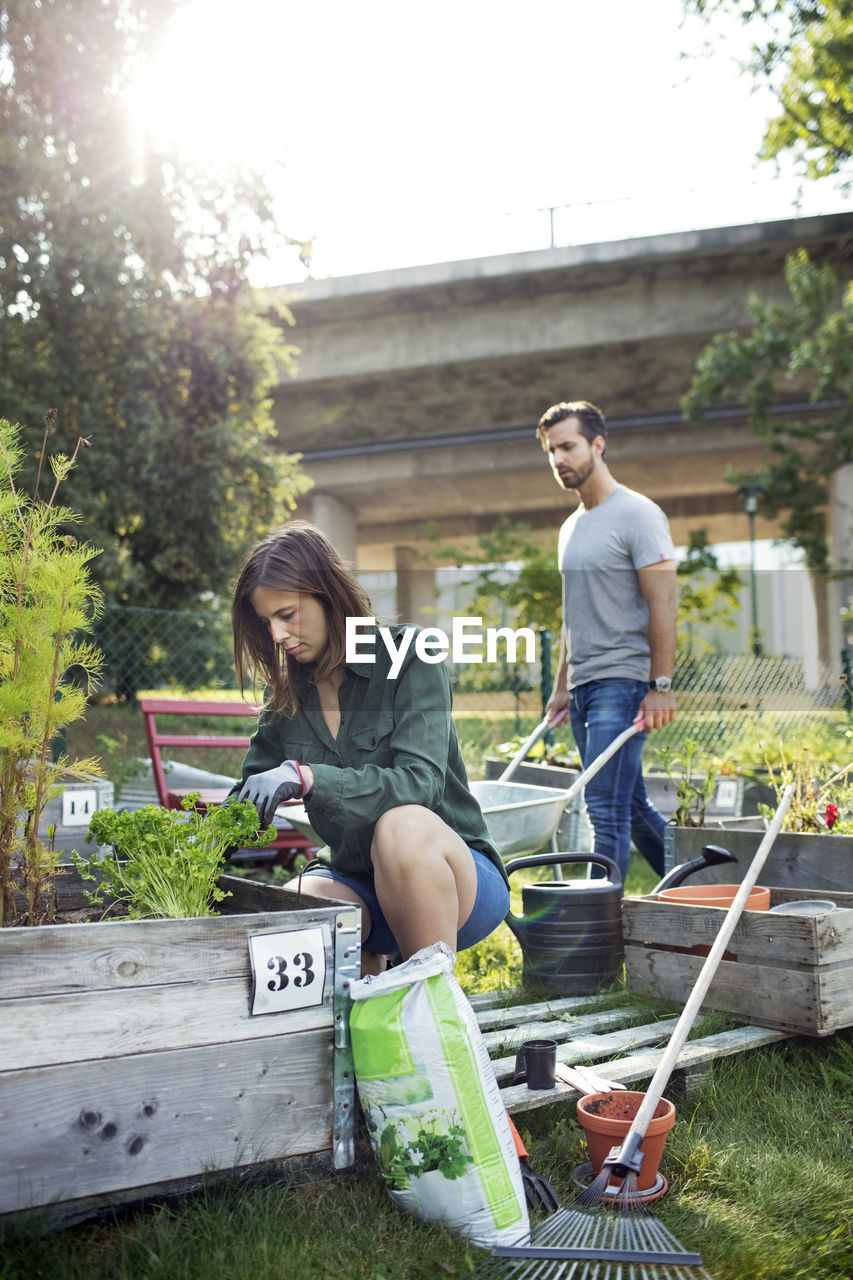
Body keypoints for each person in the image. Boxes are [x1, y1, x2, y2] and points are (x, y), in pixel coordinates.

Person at [229, 521, 510, 976]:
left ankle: (430, 1006)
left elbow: (421, 784)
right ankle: (361, 1014)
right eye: (266, 622)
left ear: (327, 594)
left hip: (455, 882)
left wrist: (309, 778)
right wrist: (190, 844)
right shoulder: (284, 694)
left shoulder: (412, 656)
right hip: (355, 879)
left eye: (287, 613)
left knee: (402, 826)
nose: (277, 635)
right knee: (295, 908)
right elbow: (246, 799)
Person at [537, 400, 677, 882]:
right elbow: (572, 615)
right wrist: (561, 686)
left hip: (624, 681)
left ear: (598, 444)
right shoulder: (570, 528)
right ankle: (699, 891)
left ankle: (599, 940)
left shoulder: (638, 514)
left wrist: (660, 684)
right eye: (552, 450)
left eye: (568, 446)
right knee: (631, 806)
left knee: (604, 810)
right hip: (583, 687)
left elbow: (664, 603)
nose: (559, 459)